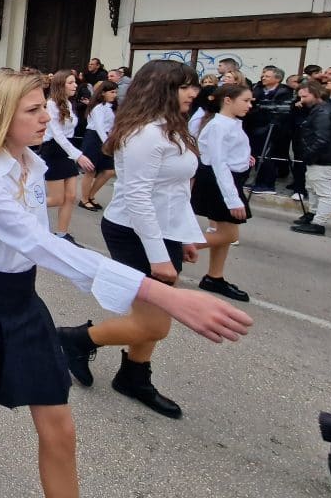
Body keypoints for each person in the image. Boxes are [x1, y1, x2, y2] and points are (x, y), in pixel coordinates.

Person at [0, 72, 251, 498]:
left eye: (44, 106)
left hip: (22, 300)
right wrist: (158, 292)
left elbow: (43, 243)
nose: (46, 116)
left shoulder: (33, 162)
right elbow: (40, 244)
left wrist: (179, 236)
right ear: (1, 117)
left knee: (59, 429)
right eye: (33, 109)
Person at [57, 60, 209, 419]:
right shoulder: (145, 134)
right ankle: (77, 339)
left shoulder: (172, 129)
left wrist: (186, 236)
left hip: (163, 230)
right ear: (162, 89)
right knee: (156, 321)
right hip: (134, 231)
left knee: (149, 316)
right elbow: (139, 197)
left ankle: (133, 376)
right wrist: (159, 256)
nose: (194, 93)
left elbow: (175, 193)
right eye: (186, 86)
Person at [188, 84, 253, 302]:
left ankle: (214, 276)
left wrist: (245, 159)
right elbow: (218, 161)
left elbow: (230, 152)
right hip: (218, 181)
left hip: (226, 179)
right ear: (228, 100)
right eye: (245, 100)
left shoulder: (231, 123)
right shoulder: (218, 125)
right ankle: (175, 249)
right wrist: (233, 199)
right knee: (229, 234)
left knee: (223, 232)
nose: (249, 105)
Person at [41, 70, 93, 244]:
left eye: (74, 82)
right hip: (55, 150)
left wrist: (74, 154)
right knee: (57, 198)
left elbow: (68, 133)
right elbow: (57, 135)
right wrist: (78, 155)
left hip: (67, 149)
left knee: (70, 196)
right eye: (70, 82)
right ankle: (23, 207)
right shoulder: (51, 104)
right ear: (60, 85)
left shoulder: (68, 104)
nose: (75, 85)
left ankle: (62, 234)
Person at [291, 80, 331, 236]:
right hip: (317, 158)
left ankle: (319, 223)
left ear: (315, 93)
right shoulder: (318, 110)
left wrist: (308, 155)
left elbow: (322, 139)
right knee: (312, 188)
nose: (302, 100)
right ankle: (313, 214)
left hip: (323, 159)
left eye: (304, 96)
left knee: (323, 192)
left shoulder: (323, 112)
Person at [244, 66, 293, 194]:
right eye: (263, 75)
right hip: (255, 126)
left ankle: (267, 184)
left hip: (273, 128)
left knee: (267, 156)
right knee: (256, 154)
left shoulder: (284, 91)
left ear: (277, 79)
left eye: (267, 76)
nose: (263, 77)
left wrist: (261, 108)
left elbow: (281, 111)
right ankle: (258, 181)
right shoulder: (258, 89)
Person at [78, 80, 117, 211]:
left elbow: (110, 126)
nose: (115, 94)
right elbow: (99, 127)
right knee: (90, 170)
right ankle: (84, 199)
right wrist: (107, 143)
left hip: (105, 137)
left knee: (109, 171)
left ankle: (91, 195)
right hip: (94, 138)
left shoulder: (109, 107)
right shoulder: (98, 107)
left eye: (116, 92)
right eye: (112, 92)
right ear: (103, 93)